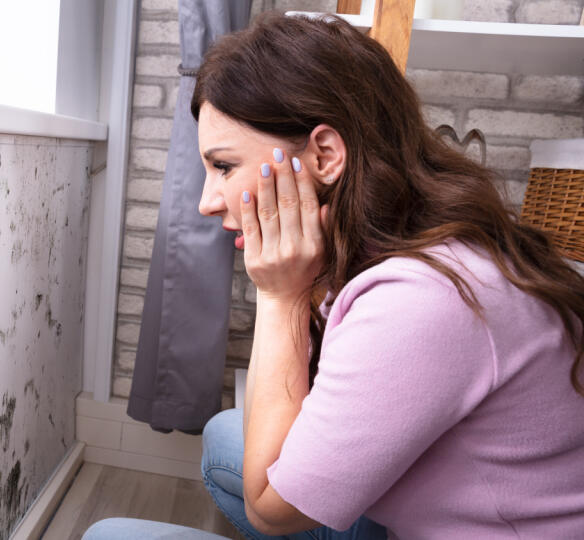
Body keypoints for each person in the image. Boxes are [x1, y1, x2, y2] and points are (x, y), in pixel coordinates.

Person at [84, 11, 584, 540]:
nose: (207, 202)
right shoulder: (402, 243)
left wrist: (281, 297)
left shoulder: (421, 300)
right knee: (227, 433)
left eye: (225, 166)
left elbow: (270, 510)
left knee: (108, 535)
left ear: (324, 155)